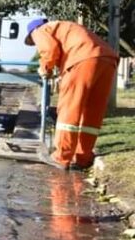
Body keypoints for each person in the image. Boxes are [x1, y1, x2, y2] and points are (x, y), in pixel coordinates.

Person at [25, 17, 119, 170]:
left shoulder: (40, 30)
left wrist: (45, 68)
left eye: (32, 42)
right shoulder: (67, 27)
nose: (35, 44)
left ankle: (61, 156)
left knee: (70, 107)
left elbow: (48, 50)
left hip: (82, 59)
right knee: (92, 112)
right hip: (107, 59)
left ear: (32, 32)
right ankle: (83, 157)